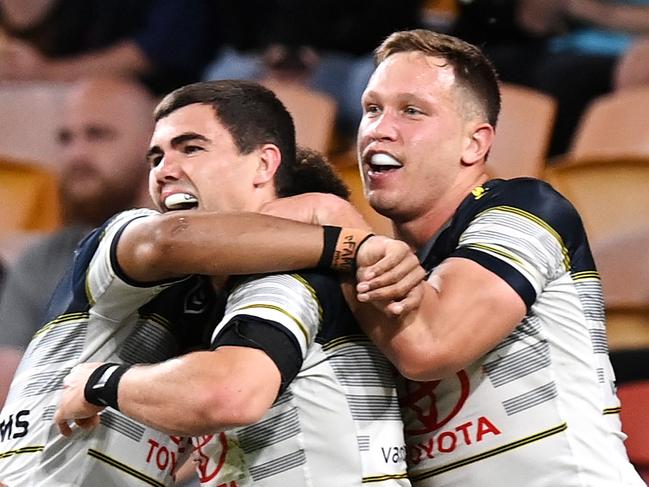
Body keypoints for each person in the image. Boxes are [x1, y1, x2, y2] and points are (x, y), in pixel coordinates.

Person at [256, 29, 646, 486]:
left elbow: (430, 344)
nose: (379, 129)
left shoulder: (525, 208)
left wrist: (337, 226)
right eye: (372, 109)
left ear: (474, 144)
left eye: (412, 111)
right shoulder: (373, 270)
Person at [4, 80, 420, 486]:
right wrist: (344, 234)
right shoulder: (136, 246)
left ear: (263, 164)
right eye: (154, 158)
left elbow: (231, 392)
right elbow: (170, 238)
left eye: (191, 148)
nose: (164, 171)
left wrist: (101, 382)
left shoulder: (284, 275)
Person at [0, 76, 156, 407]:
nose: (76, 155)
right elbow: (6, 390)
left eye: (97, 135)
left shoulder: (195, 255)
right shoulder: (42, 259)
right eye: (66, 138)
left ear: (152, 147)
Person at [0, 0, 214, 94]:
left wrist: (46, 72)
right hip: (47, 101)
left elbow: (159, 47)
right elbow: (25, 21)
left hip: (152, 105)